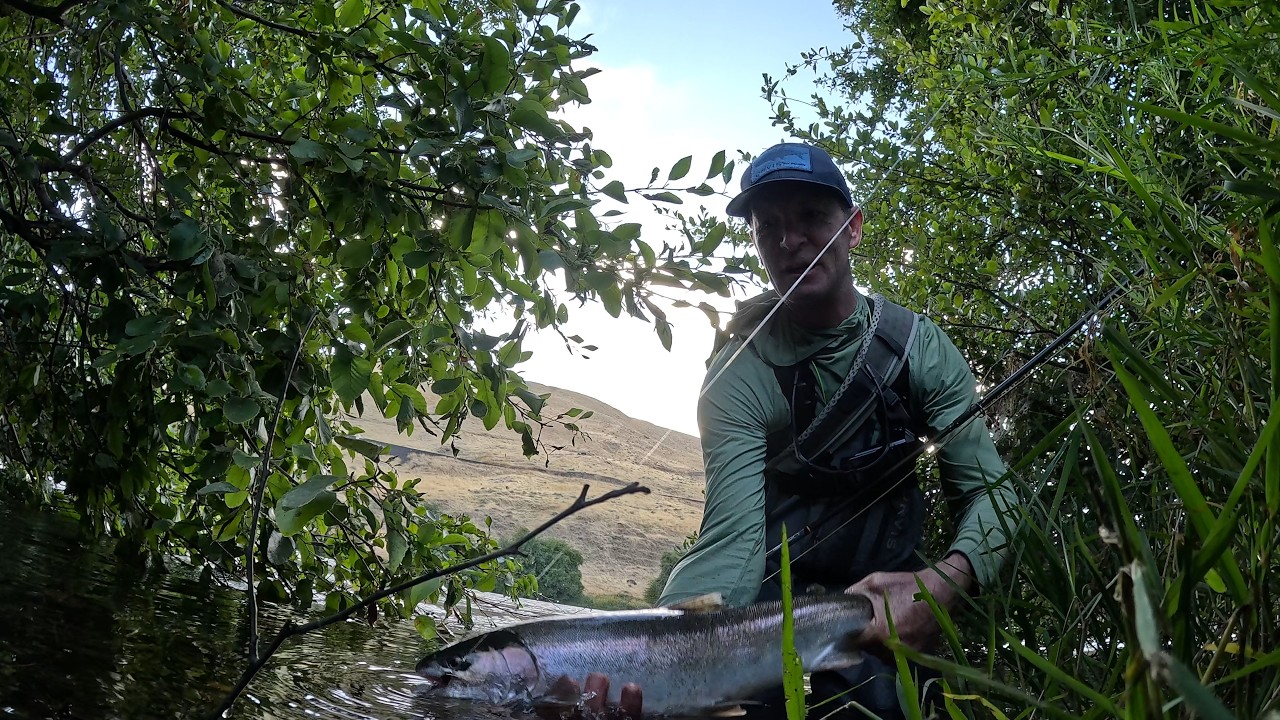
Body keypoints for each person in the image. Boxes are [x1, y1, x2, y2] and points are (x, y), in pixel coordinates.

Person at [547, 142, 1020, 720]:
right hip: (763, 612)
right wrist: (663, 651)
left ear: (853, 228)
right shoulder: (738, 372)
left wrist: (941, 585)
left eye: (811, 219)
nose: (789, 241)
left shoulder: (921, 350)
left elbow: (993, 497)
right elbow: (733, 539)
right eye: (768, 225)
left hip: (890, 606)